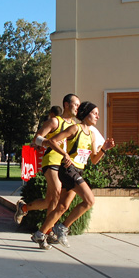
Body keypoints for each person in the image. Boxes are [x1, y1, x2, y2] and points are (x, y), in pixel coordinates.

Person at [31, 101, 115, 250]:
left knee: (62, 206)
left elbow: (94, 160)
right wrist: (64, 154)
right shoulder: (75, 128)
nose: (98, 116)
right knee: (89, 200)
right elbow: (52, 141)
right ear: (86, 113)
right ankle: (62, 228)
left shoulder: (92, 135)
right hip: (69, 170)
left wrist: (104, 149)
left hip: (78, 170)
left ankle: (40, 233)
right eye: (95, 113)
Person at [13, 94, 81, 232]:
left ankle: (24, 207)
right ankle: (48, 231)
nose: (78, 108)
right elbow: (36, 139)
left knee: (48, 201)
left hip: (64, 164)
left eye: (79, 106)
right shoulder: (55, 122)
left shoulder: (75, 126)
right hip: (51, 160)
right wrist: (49, 142)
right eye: (76, 104)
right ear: (66, 105)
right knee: (57, 191)